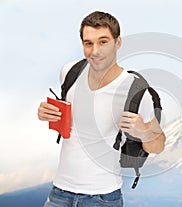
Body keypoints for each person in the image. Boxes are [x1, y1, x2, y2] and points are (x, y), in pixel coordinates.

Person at [37, 11, 166, 207]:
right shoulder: (69, 73)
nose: (95, 51)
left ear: (118, 42)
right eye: (88, 43)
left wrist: (143, 132)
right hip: (59, 193)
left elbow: (159, 144)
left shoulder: (136, 91)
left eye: (103, 42)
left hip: (102, 198)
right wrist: (46, 113)